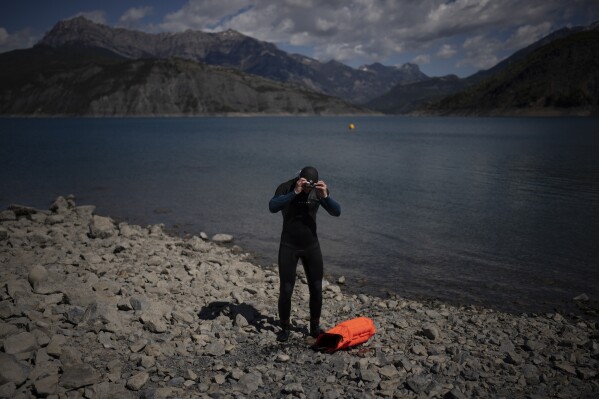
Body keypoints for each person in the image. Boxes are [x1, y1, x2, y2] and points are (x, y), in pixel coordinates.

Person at [269, 166, 341, 342]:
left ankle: (315, 327)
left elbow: (336, 212)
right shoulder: (286, 187)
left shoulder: (318, 191)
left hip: (311, 247)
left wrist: (325, 195)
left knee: (316, 288)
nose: (309, 188)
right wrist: (296, 192)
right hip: (289, 246)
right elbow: (272, 206)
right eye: (306, 184)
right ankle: (285, 326)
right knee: (286, 290)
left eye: (311, 185)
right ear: (300, 179)